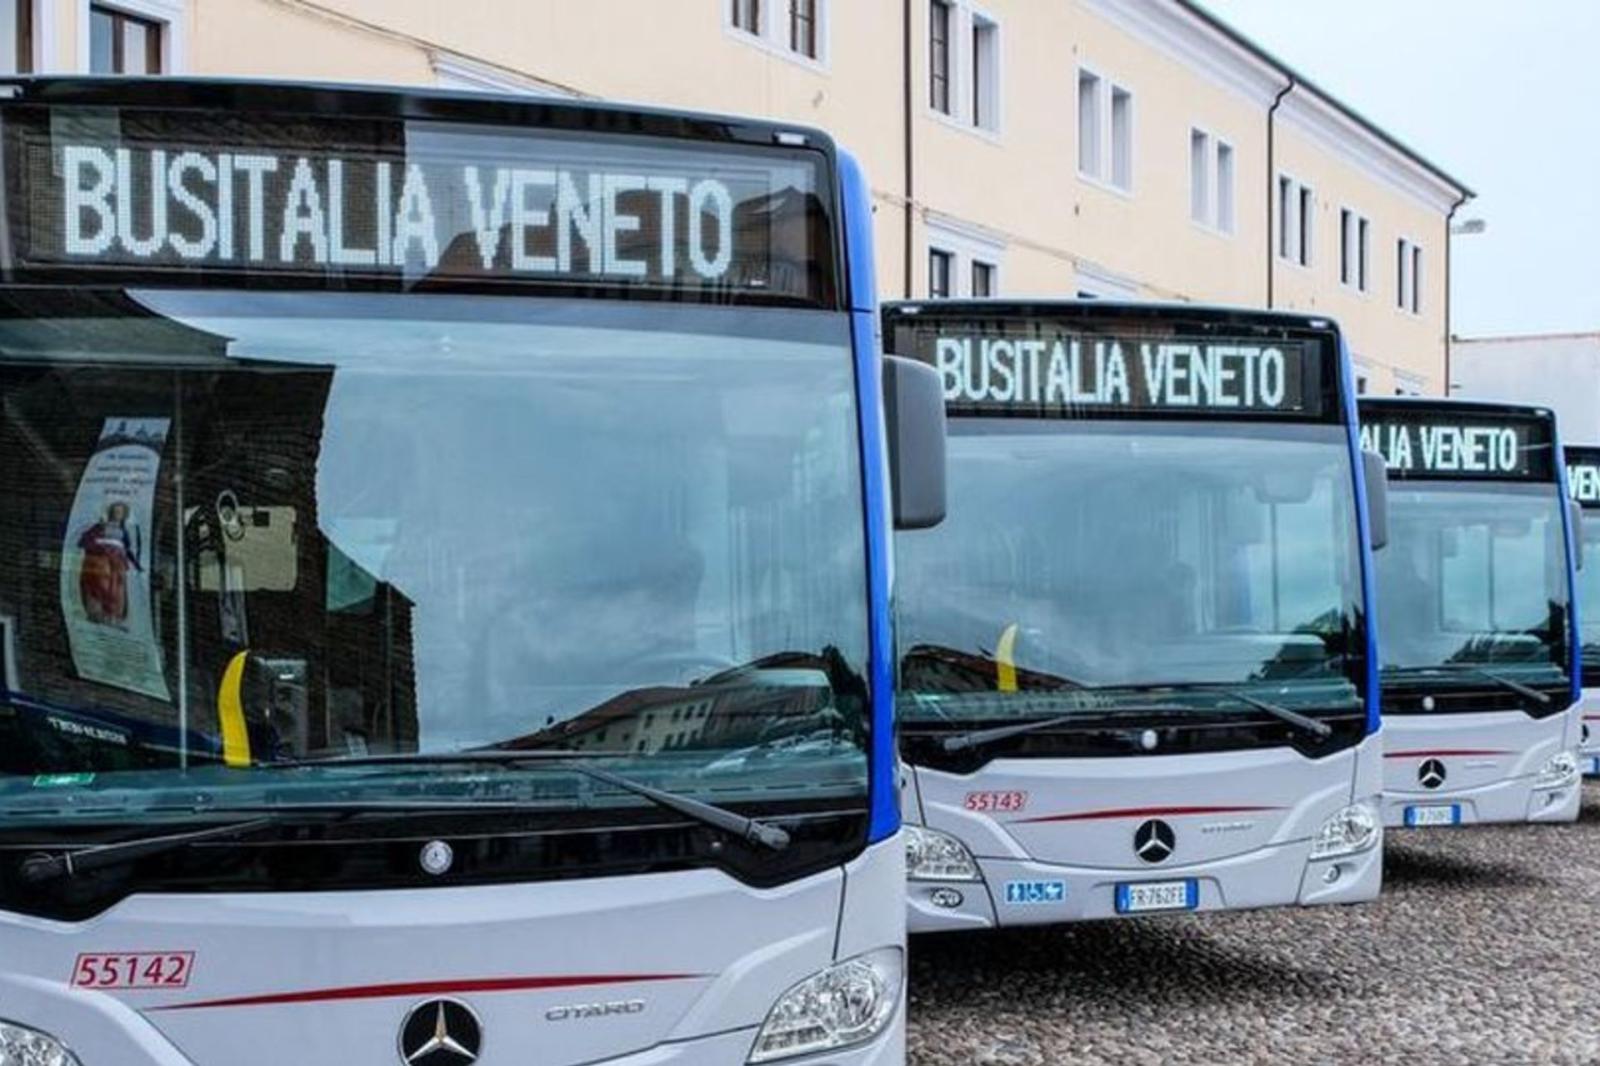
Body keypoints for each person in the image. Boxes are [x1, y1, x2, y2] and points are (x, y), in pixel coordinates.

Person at [77, 501, 142, 625]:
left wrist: (137, 565)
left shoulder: (123, 531)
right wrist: (100, 548)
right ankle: (96, 614)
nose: (118, 514)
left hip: (117, 565)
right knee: (99, 588)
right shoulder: (100, 526)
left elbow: (127, 549)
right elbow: (83, 541)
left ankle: (113, 616)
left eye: (121, 512)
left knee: (116, 591)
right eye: (116, 511)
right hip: (101, 563)